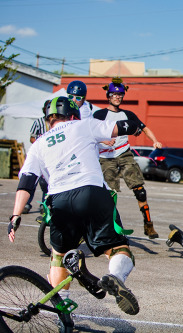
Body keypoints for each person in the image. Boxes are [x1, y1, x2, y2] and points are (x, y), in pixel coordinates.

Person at [8, 97, 141, 329]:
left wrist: (16, 215)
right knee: (118, 248)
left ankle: (63, 317)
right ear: (72, 114)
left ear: (49, 119)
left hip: (59, 199)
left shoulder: (39, 143)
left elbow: (27, 182)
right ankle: (116, 278)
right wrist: (136, 125)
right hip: (92, 192)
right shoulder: (85, 124)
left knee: (58, 256)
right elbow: (121, 127)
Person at [93, 78, 162, 239]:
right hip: (106, 156)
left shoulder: (128, 115)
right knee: (109, 194)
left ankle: (148, 224)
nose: (117, 97)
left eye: (120, 95)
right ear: (108, 96)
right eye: (114, 94)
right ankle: (107, 226)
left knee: (140, 190)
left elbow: (144, 128)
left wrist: (155, 140)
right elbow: (90, 132)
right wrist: (103, 140)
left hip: (124, 153)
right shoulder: (100, 114)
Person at [23, 100, 50, 215]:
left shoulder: (56, 122)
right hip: (38, 155)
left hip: (49, 157)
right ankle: (26, 203)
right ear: (44, 109)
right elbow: (32, 138)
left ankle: (44, 204)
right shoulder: (39, 122)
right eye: (47, 108)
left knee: (46, 183)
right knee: (32, 181)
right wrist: (41, 143)